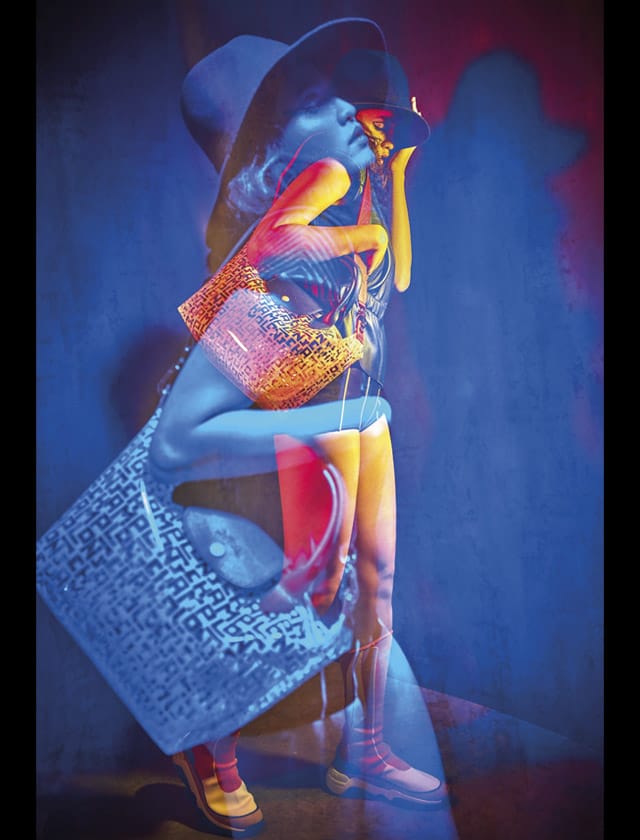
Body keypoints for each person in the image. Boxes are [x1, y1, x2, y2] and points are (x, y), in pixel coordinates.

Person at [149, 20, 446, 836]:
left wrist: (396, 180)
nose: (355, 119)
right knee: (293, 588)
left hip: (349, 397)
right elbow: (268, 252)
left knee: (373, 581)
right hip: (298, 402)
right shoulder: (312, 188)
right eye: (325, 101)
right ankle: (213, 747)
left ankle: (368, 749)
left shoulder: (357, 183)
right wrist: (362, 232)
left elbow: (398, 278)